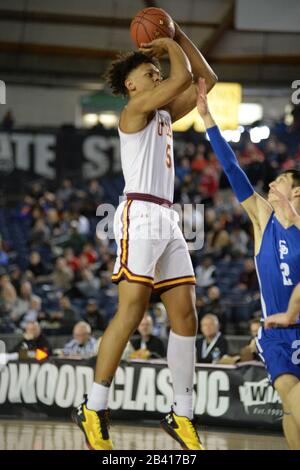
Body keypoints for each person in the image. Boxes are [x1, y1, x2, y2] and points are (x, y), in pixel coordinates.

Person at [72, 18, 217, 451]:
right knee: (132, 310)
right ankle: (94, 407)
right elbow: (183, 77)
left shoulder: (165, 113)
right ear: (132, 87)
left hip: (169, 218)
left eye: (157, 72)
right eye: (148, 74)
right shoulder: (133, 112)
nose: (156, 75)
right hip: (138, 214)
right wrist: (168, 41)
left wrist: (181, 37)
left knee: (185, 315)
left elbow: (206, 79)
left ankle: (182, 413)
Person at [197, 78, 300, 450]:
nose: (270, 185)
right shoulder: (262, 218)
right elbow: (232, 170)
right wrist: (208, 120)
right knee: (290, 406)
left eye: (280, 182)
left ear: (297, 191)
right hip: (276, 333)